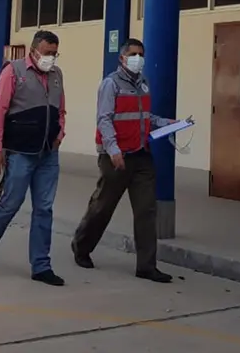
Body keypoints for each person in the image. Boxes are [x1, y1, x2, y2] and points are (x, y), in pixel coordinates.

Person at [71, 38, 176, 284]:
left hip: (141, 155)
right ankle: (81, 246)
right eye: (133, 54)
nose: (137, 59)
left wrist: (167, 123)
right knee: (103, 206)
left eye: (141, 54)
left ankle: (147, 266)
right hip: (116, 157)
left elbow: (144, 117)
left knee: (146, 211)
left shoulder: (143, 84)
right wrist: (113, 149)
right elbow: (104, 119)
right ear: (122, 58)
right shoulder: (111, 84)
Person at [0, 30, 65, 286]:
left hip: (48, 153)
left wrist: (60, 132)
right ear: (35, 51)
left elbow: (61, 109)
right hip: (20, 153)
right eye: (47, 53)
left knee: (44, 209)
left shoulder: (57, 75)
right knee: (9, 204)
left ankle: (41, 266)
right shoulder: (13, 72)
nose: (51, 58)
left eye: (54, 54)